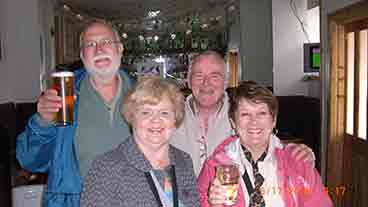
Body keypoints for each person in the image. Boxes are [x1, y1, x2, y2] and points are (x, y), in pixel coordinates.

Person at [16, 20, 132, 207]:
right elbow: (30, 161)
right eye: (90, 44)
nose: (99, 49)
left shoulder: (143, 96)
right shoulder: (65, 96)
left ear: (120, 49)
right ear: (82, 55)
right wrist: (43, 122)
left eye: (106, 42)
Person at [171, 50, 315, 175]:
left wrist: (297, 152)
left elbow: (269, 146)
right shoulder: (169, 117)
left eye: (215, 76)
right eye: (198, 76)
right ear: (188, 82)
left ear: (226, 82)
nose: (206, 83)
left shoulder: (243, 113)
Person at [198, 83, 332, 207]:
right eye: (245, 114)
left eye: (262, 113)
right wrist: (213, 204)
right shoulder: (214, 167)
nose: (254, 122)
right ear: (233, 122)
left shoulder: (298, 161)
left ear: (273, 121)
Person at [80, 76, 199, 207]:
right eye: (146, 112)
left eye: (164, 113)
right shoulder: (106, 167)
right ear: (132, 118)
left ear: (175, 120)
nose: (156, 120)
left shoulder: (184, 160)